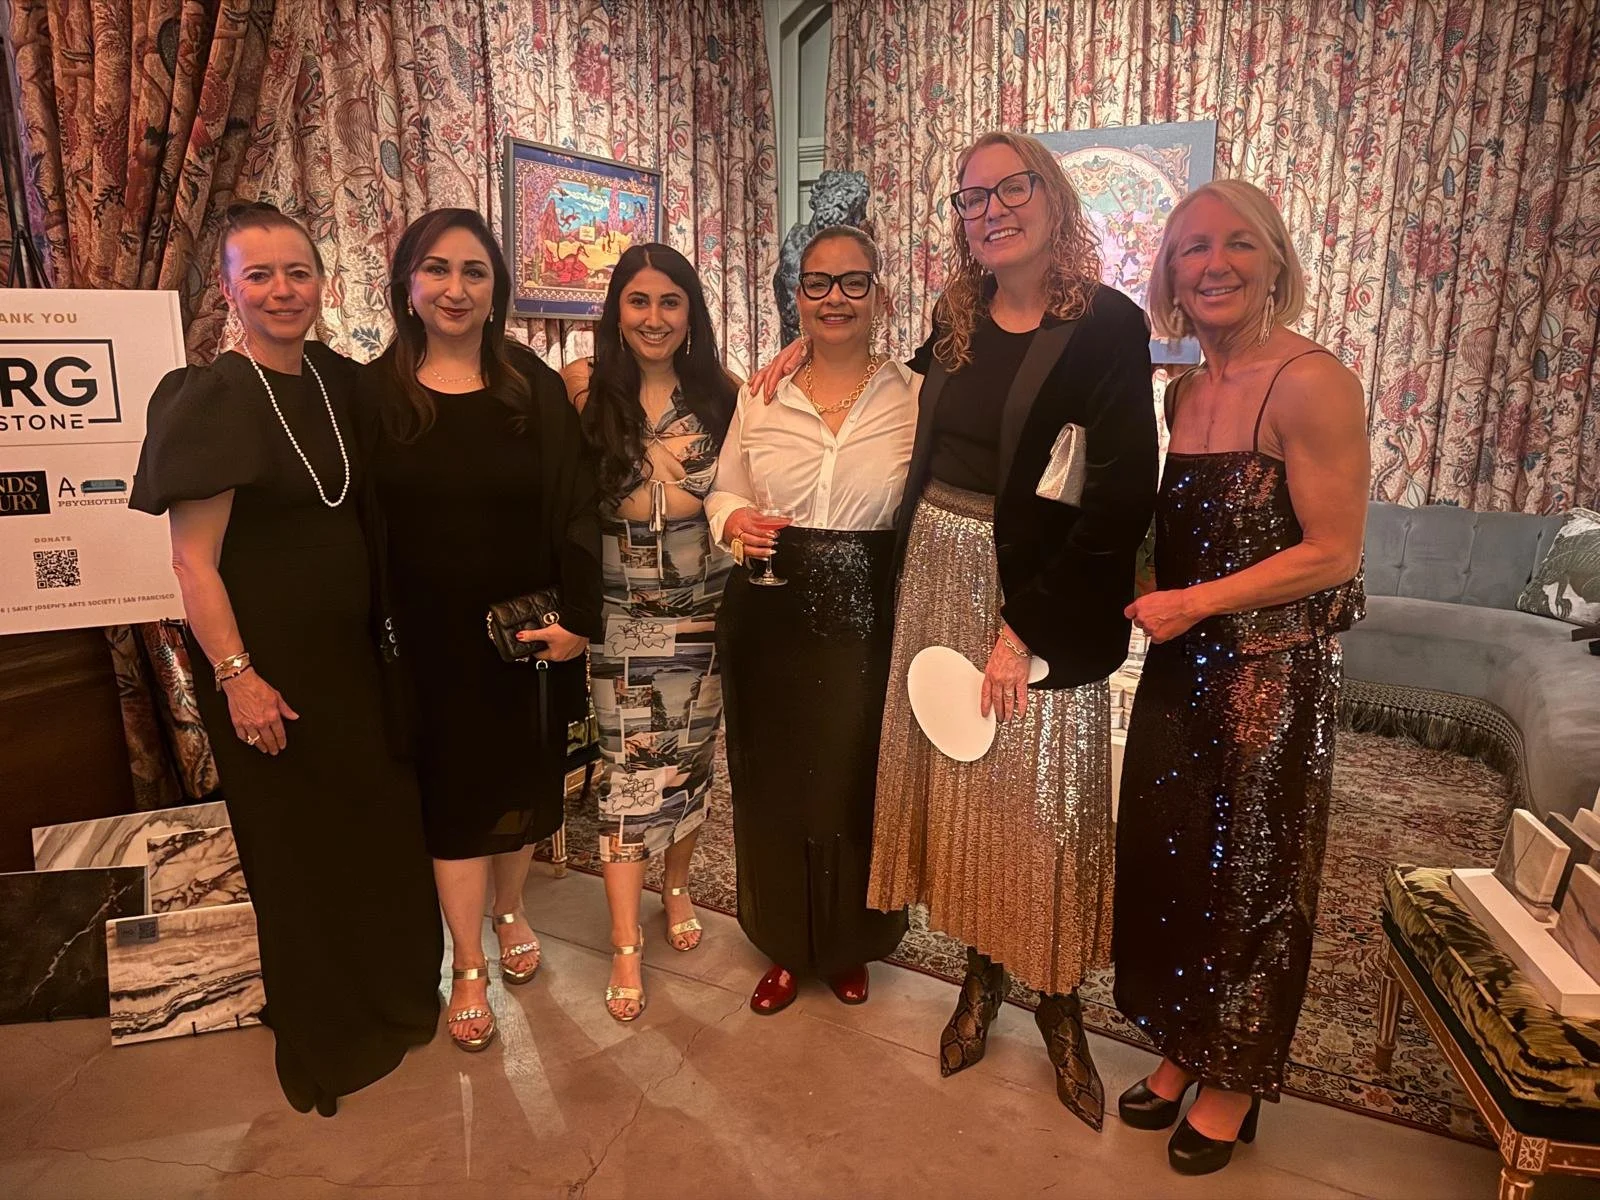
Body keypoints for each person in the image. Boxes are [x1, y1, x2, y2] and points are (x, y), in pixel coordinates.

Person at [754, 132, 1158, 1129]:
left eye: (1008, 190)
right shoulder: (956, 314)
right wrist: (806, 343)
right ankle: (981, 978)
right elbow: (904, 397)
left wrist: (1027, 628)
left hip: (1041, 590)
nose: (989, 211)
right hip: (933, 568)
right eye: (970, 198)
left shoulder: (1107, 324)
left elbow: (1117, 496)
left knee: (1043, 797)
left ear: (1051, 199)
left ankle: (1057, 1000)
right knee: (965, 784)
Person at [129, 202, 441, 1116]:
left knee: (377, 844)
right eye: (257, 274)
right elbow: (193, 562)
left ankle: (394, 1006)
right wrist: (239, 678)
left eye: (296, 272)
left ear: (322, 282)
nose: (280, 290)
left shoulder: (341, 386)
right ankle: (327, 1037)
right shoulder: (215, 397)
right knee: (301, 862)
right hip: (271, 679)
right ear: (227, 288)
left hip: (358, 670)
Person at [1113, 179, 1368, 1175]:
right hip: (1183, 670)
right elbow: (1182, 537)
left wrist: (1195, 604)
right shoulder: (1182, 390)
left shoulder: (1310, 381)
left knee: (1251, 879)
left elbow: (1332, 550)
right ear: (1170, 276)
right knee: (1178, 868)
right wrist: (1140, 582)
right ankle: (1185, 1044)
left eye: (1237, 246)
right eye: (1191, 249)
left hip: (1268, 676)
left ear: (1275, 265)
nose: (1213, 264)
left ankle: (1233, 1079)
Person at [364, 209, 602, 1053]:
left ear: (496, 288)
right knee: (452, 802)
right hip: (424, 646)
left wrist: (580, 620)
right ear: (408, 285)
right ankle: (467, 960)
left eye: (473, 271)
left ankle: (511, 908)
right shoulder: (372, 394)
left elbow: (579, 507)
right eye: (437, 270)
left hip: (524, 638)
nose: (455, 288)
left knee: (518, 792)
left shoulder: (529, 386)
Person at [707, 226, 916, 1016]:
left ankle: (850, 943)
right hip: (769, 611)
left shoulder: (915, 391)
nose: (835, 298)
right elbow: (723, 488)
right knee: (774, 787)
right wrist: (733, 524)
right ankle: (786, 946)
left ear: (879, 294)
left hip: (871, 612)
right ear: (796, 297)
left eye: (853, 282)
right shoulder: (759, 393)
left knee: (857, 783)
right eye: (818, 283)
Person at [562, 244, 739, 1022]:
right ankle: (627, 942)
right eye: (639, 301)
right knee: (628, 780)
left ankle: (677, 886)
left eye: (671, 302)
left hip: (705, 613)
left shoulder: (723, 395)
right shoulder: (581, 389)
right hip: (621, 619)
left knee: (690, 770)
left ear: (691, 313)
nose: (655, 317)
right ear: (617, 312)